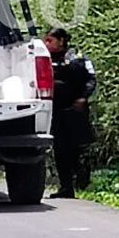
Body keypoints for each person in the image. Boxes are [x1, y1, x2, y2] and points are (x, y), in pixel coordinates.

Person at [44, 28, 98, 199]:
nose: (47, 44)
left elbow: (90, 79)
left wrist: (83, 98)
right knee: (60, 150)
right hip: (56, 111)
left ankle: (82, 183)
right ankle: (66, 187)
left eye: (50, 40)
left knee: (78, 148)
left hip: (75, 110)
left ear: (61, 41)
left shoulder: (77, 58)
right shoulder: (44, 58)